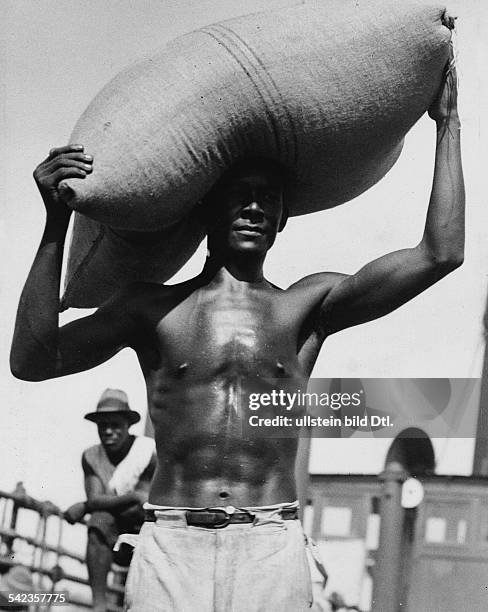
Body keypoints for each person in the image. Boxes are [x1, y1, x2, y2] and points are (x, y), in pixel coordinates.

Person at [10, 55, 463, 611]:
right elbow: (33, 358)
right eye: (237, 194)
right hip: (171, 544)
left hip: (270, 545)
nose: (253, 207)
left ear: (283, 218)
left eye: (268, 198)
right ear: (206, 209)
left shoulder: (306, 309)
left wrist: (448, 124)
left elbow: (440, 254)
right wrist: (56, 223)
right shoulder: (151, 309)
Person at [63, 389, 156, 612]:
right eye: (102, 426)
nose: (109, 432)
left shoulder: (145, 451)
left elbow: (143, 502)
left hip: (141, 523)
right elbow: (95, 499)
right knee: (99, 521)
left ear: (128, 425)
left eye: (115, 425)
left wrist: (85, 506)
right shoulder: (92, 456)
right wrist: (130, 496)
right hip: (112, 525)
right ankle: (99, 605)